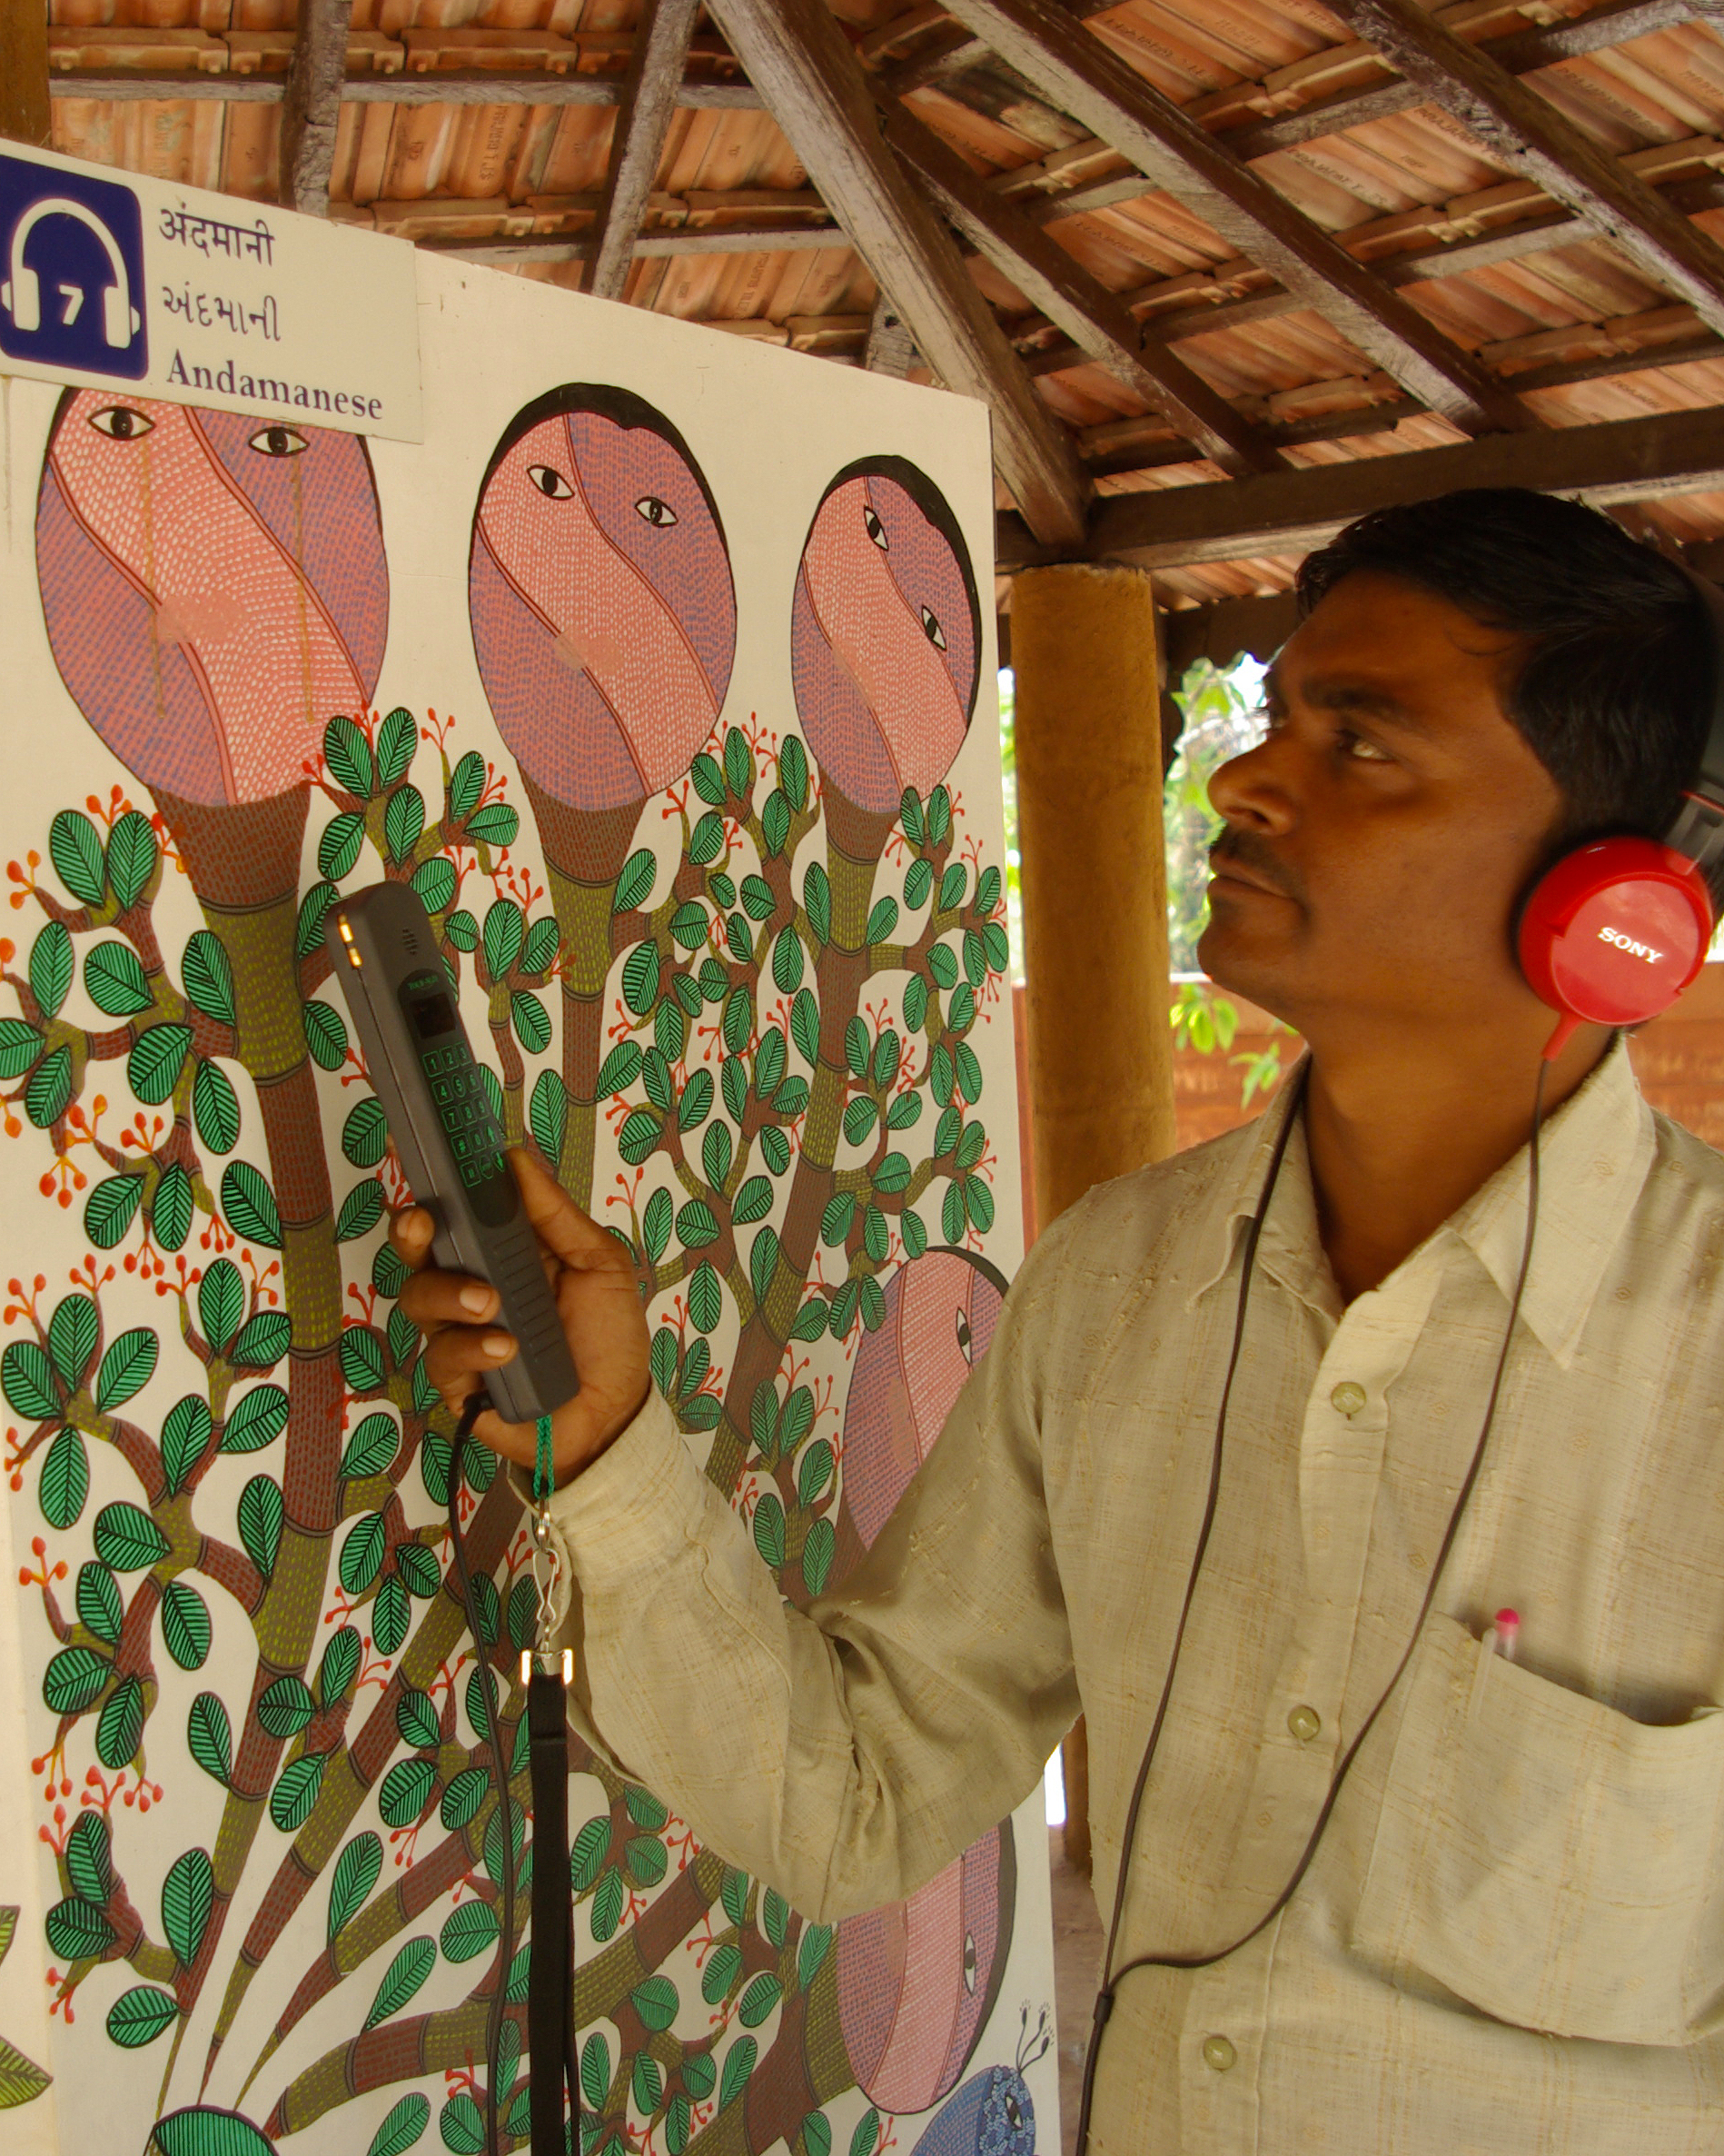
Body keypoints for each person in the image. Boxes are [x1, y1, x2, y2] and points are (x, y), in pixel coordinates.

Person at [393, 487, 1724, 2153]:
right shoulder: (1117, 1286)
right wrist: (607, 1447)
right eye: (1271, 715)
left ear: (1611, 906)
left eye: (1362, 742)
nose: (1242, 777)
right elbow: (858, 1797)